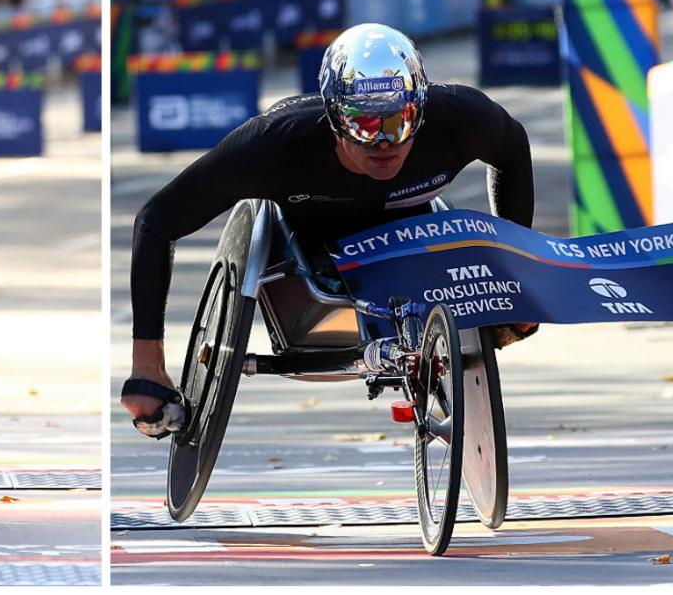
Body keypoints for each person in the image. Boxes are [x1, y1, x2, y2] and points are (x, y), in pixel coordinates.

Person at [121, 23, 538, 438]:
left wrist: (516, 282)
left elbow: (514, 150)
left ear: (420, 109)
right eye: (364, 126)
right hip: (311, 257)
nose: (383, 144)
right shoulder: (275, 145)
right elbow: (156, 221)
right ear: (335, 117)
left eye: (397, 123)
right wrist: (147, 366)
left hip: (411, 242)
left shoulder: (460, 119)